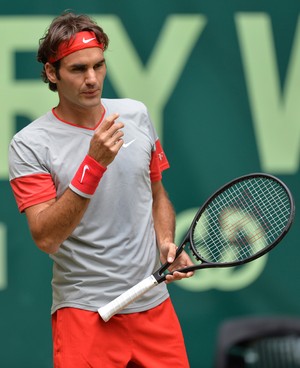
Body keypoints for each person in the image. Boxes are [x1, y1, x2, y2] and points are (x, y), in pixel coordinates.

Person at [8, 11, 194, 368]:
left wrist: (166, 242)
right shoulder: (29, 144)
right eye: (78, 69)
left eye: (99, 66)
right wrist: (92, 166)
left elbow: (156, 194)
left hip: (153, 308)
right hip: (85, 315)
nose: (92, 79)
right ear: (52, 73)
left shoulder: (136, 115)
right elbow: (46, 237)